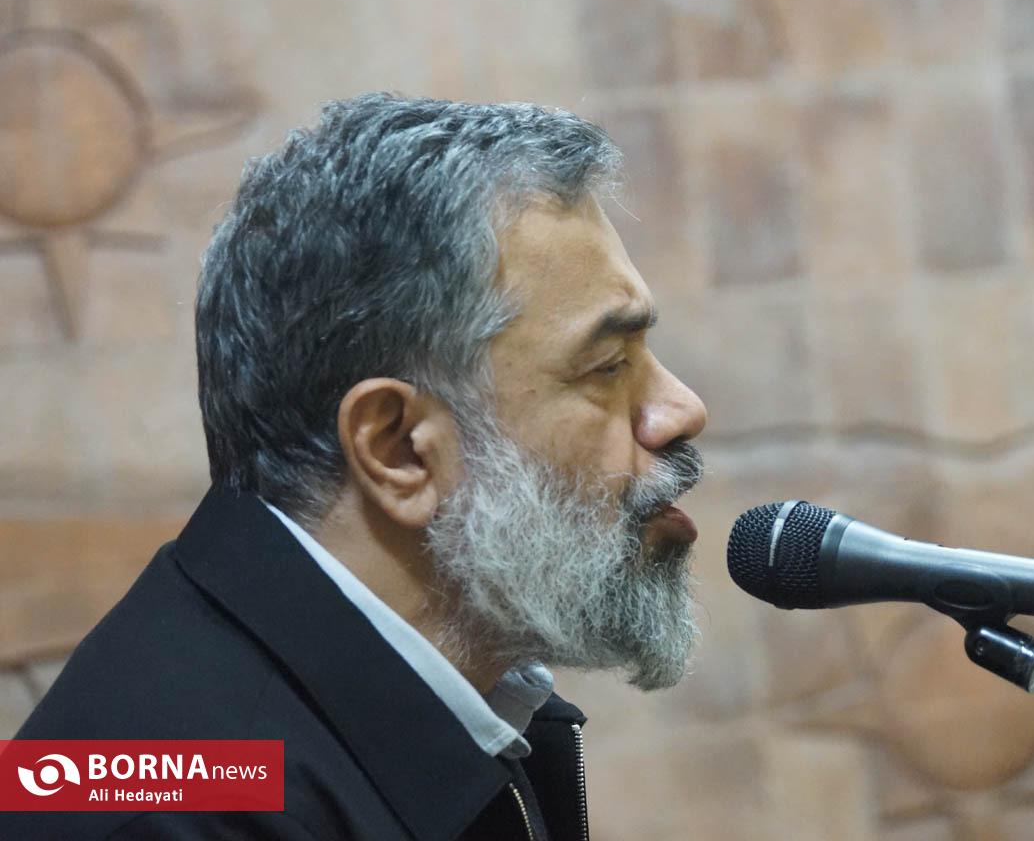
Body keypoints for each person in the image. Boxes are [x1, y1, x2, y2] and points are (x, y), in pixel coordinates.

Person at [11, 94, 710, 839]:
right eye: (608, 366)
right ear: (398, 449)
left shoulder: (460, 703)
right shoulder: (174, 813)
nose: (683, 409)